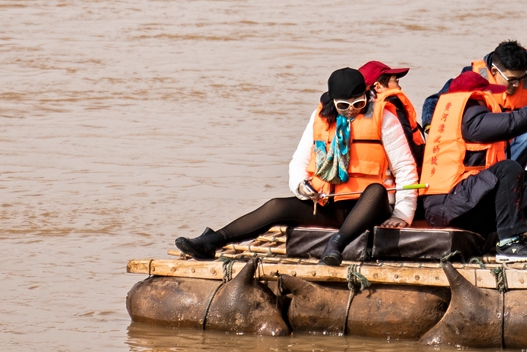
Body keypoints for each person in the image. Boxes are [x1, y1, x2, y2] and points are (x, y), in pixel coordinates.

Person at [176, 68, 418, 265]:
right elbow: (300, 161)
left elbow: (405, 167)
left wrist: (402, 214)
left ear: (367, 95)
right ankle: (212, 241)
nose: (352, 110)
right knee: (276, 205)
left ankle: (336, 245)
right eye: (344, 106)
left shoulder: (384, 118)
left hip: (369, 208)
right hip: (329, 205)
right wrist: (301, 187)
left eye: (359, 103)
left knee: (376, 190)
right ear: (333, 102)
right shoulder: (320, 118)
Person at [420, 71, 527, 261]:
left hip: (462, 202)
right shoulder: (470, 117)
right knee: (508, 168)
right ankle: (509, 244)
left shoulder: (463, 112)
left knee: (526, 178)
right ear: (476, 95)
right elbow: (512, 122)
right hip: (448, 209)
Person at [360, 60, 424, 164]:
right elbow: (410, 147)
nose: (399, 87)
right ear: (378, 87)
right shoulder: (390, 108)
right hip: (402, 173)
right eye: (396, 82)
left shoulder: (363, 111)